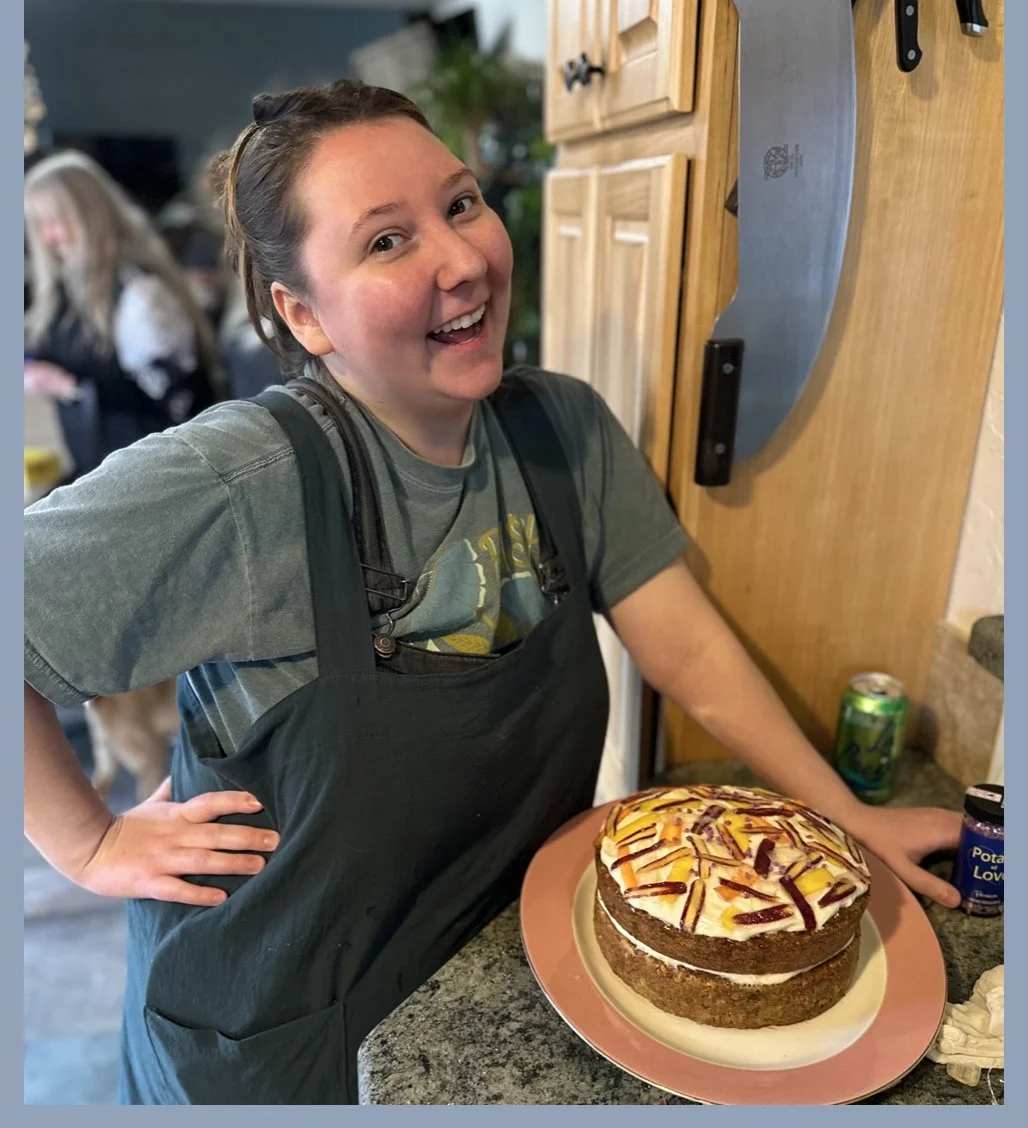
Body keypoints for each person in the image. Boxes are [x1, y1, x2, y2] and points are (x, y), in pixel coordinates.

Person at [23, 78, 961, 1106]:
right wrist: (88, 839)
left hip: (484, 971)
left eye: (460, 204)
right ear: (303, 314)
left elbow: (684, 647)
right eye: (385, 242)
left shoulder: (562, 431)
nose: (463, 259)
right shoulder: (244, 482)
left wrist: (838, 813)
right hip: (275, 1024)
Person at [24, 151, 220, 479]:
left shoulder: (141, 294)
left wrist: (69, 387)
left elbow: (173, 410)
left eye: (56, 222)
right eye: (40, 226)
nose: (48, 238)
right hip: (99, 469)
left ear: (89, 215)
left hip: (152, 475)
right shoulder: (61, 291)